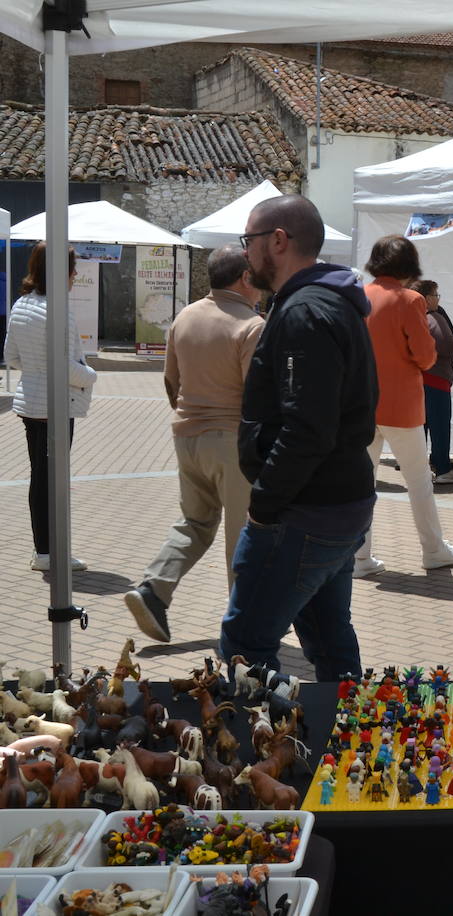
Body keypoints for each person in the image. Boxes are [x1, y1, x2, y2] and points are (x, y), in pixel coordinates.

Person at [219, 194, 377, 680]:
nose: (246, 253)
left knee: (245, 646)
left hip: (303, 513)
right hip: (334, 506)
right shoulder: (323, 303)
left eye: (250, 241)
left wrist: (264, 504)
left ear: (279, 241)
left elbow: (308, 428)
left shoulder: (306, 312)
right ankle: (346, 745)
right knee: (330, 643)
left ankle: (268, 753)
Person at [123, 246, 264, 642]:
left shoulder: (184, 316)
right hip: (231, 439)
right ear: (244, 278)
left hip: (186, 434)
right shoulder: (252, 325)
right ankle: (244, 625)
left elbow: (171, 381)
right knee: (245, 533)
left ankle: (153, 588)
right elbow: (257, 396)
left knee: (196, 522)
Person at [352, 235, 453, 577]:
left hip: (363, 404)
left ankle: (360, 557)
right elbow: (425, 354)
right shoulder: (410, 299)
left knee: (363, 484)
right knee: (419, 482)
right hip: (401, 406)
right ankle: (433, 550)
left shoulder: (359, 295)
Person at [4, 242, 97, 571]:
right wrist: (90, 376)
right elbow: (66, 366)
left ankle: (44, 549)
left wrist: (36, 368)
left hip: (31, 402)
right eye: (72, 269)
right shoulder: (59, 311)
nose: (75, 275)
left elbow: (11, 356)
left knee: (39, 479)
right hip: (56, 405)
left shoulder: (21, 305)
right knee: (53, 482)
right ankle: (50, 552)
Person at [413, 279, 453, 485]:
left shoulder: (414, 317)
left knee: (421, 428)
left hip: (420, 378)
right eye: (436, 295)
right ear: (427, 298)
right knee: (440, 427)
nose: (438, 299)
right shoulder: (434, 317)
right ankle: (442, 468)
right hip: (436, 379)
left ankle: (419, 470)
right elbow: (447, 345)